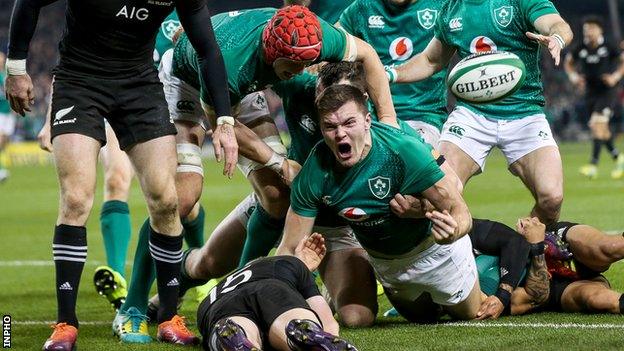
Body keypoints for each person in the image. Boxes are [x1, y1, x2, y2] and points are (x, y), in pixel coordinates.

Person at [6, 0, 234, 348]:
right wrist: (16, 68)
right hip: (80, 82)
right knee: (77, 197)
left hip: (139, 85)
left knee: (166, 199)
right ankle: (65, 324)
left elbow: (208, 49)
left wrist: (224, 120)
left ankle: (169, 317)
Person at [174, 63, 380, 329]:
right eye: (323, 99)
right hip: (288, 204)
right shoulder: (300, 88)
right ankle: (177, 280)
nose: (330, 106)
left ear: (362, 103)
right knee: (207, 264)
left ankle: (325, 288)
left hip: (335, 225)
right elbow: (245, 70)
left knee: (357, 317)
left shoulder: (377, 122)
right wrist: (277, 162)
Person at [277, 84, 481, 321]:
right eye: (330, 126)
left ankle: (495, 268)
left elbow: (459, 209)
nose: (340, 133)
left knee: (469, 313)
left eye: (348, 123)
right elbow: (289, 247)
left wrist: (454, 231)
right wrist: (274, 294)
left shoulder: (402, 151)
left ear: (367, 120)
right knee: (422, 319)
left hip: (433, 252)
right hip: (387, 264)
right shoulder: (315, 170)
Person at [392, 0, 573, 225]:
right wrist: (391, 74)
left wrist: (556, 38)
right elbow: (431, 60)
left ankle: (522, 250)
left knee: (552, 199)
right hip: (471, 116)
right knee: (439, 194)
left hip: (525, 113)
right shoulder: (451, 9)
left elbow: (557, 24)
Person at [198, 233, 358, 351]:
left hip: (216, 305)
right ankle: (306, 332)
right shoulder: (289, 264)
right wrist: (330, 333)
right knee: (293, 325)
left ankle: (236, 335)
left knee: (238, 328)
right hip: (272, 290)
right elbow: (324, 315)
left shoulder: (218, 289)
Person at [338, 0, 449, 147]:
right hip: (372, 115)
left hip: (423, 115)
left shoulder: (442, 5)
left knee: (412, 155)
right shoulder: (363, 7)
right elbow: (335, 41)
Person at [564, 16, 624, 179]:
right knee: (600, 129)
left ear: (600, 30)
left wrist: (615, 77)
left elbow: (622, 61)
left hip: (607, 92)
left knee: (597, 126)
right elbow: (568, 62)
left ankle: (593, 165)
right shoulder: (580, 47)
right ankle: (618, 157)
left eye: (591, 29)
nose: (588, 32)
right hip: (590, 93)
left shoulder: (609, 45)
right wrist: (574, 77)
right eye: (585, 30)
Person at [0, 52, 16, 183]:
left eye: (3, 59)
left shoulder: (6, 75)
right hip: (0, 113)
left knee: (4, 141)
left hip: (8, 113)